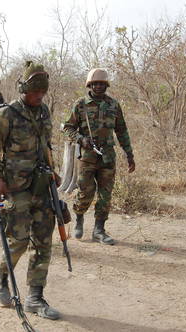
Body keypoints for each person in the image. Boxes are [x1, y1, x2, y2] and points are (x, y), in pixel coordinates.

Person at [0, 61, 60, 320]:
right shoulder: (6, 115)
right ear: (23, 89)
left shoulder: (44, 112)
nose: (39, 96)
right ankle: (1, 275)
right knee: (18, 240)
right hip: (15, 188)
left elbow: (46, 145)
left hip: (42, 185)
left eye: (42, 92)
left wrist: (53, 170)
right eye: (35, 91)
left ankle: (35, 297)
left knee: (43, 241)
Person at [63, 68, 135, 245]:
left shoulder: (113, 105)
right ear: (90, 84)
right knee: (86, 192)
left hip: (107, 158)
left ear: (106, 85)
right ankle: (79, 218)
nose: (99, 86)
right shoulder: (80, 105)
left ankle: (99, 230)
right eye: (95, 83)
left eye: (102, 84)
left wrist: (129, 154)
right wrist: (81, 139)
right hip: (87, 158)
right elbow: (68, 127)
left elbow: (122, 130)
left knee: (105, 195)